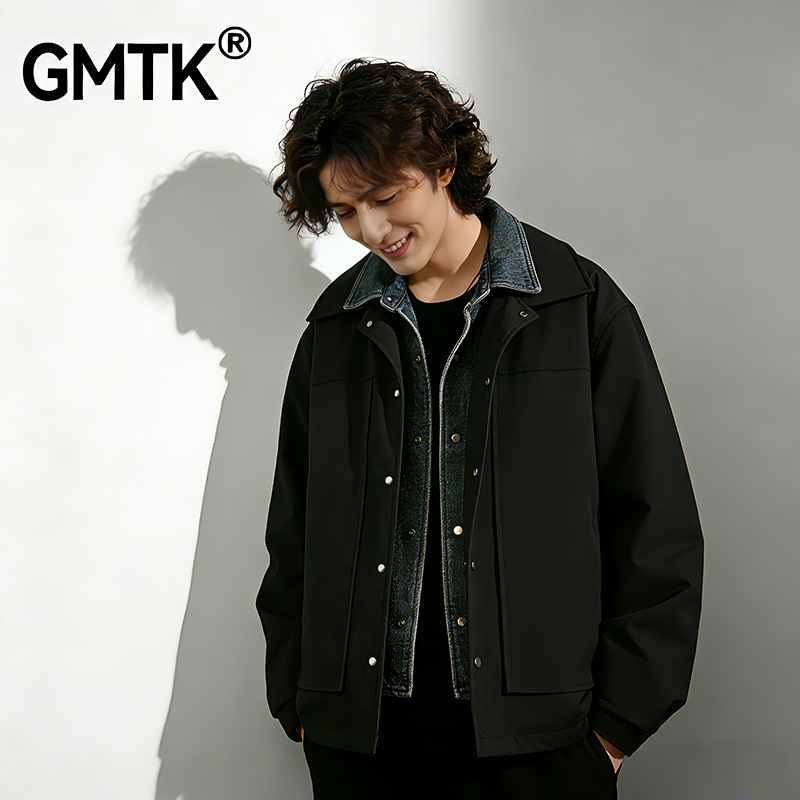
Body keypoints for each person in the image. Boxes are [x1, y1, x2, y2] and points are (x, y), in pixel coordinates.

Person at [256, 58, 704, 799]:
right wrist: (301, 702)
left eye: (385, 197)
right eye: (345, 212)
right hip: (361, 745)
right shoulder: (336, 330)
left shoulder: (575, 306)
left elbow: (655, 526)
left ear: (445, 164)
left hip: (542, 748)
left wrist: (615, 730)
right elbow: (296, 531)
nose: (372, 230)